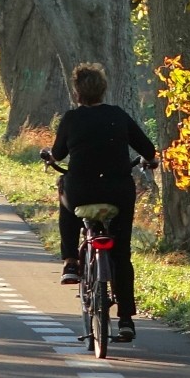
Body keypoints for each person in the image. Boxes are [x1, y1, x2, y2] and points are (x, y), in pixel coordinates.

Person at [48, 62, 156, 343]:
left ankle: (71, 260)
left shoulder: (71, 119)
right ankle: (126, 320)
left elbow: (58, 154)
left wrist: (51, 156)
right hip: (118, 192)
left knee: (64, 192)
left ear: (77, 93)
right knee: (122, 253)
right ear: (103, 90)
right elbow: (147, 148)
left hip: (82, 191)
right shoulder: (118, 116)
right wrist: (150, 160)